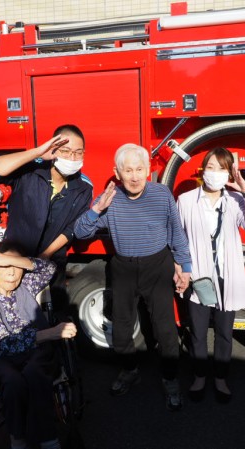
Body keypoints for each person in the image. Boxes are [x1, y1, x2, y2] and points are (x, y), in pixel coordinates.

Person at [74, 143, 192, 411]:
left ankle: (170, 378)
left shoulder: (162, 195)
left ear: (148, 170)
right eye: (128, 170)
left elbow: (176, 232)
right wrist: (97, 209)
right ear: (117, 173)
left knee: (164, 328)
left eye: (139, 169)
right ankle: (129, 370)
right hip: (124, 268)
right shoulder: (109, 198)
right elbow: (80, 232)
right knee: (122, 327)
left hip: (157, 265)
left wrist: (184, 266)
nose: (135, 176)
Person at [0, 241, 78, 449]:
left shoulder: (27, 286)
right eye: (4, 266)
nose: (12, 272)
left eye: (16, 265)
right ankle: (18, 439)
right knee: (13, 381)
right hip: (2, 356)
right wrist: (51, 333)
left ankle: (48, 439)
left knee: (35, 373)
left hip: (37, 353)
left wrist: (9, 259)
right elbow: (5, 344)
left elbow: (49, 268)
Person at [176, 147, 245, 404]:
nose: (215, 173)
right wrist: (180, 270)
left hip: (227, 275)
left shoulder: (234, 200)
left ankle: (221, 378)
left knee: (224, 331)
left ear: (229, 173)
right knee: (198, 331)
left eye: (222, 168)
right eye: (210, 167)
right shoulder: (186, 200)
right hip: (199, 276)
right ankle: (199, 376)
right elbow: (178, 239)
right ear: (203, 170)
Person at [0, 124, 93, 310]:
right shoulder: (29, 171)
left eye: (78, 152)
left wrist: (44, 256)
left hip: (52, 263)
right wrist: (37, 153)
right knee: (14, 315)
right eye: (65, 151)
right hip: (14, 260)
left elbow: (72, 228)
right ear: (53, 149)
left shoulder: (84, 187)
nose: (72, 158)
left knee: (54, 315)